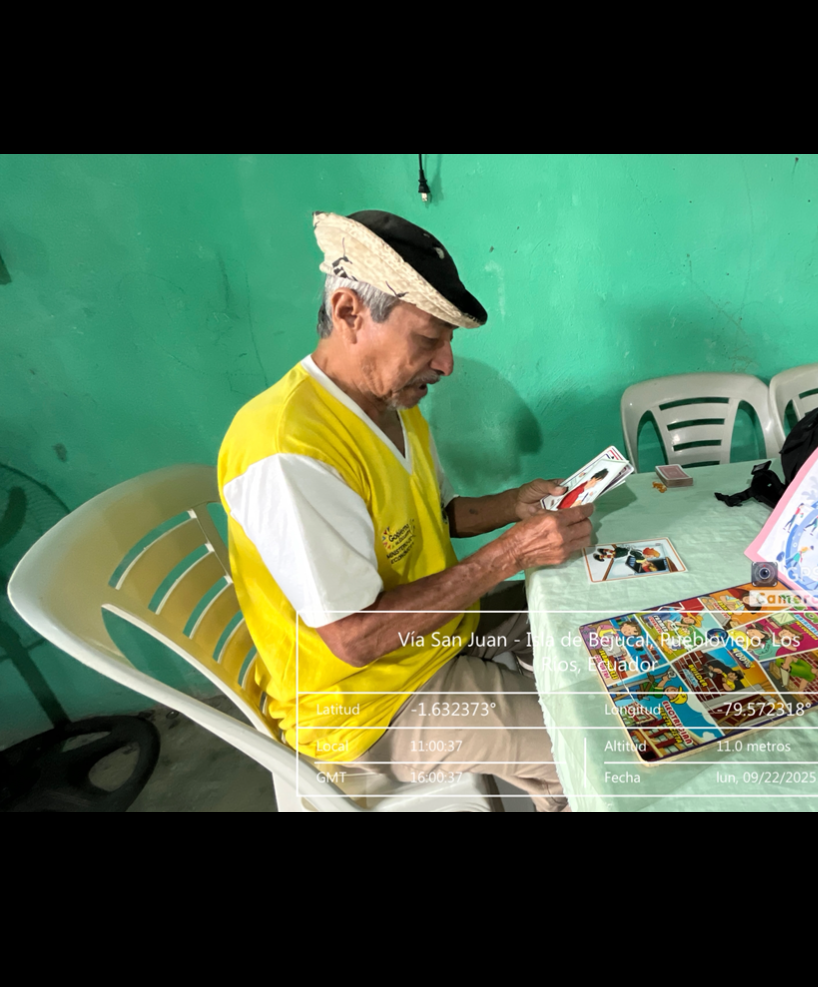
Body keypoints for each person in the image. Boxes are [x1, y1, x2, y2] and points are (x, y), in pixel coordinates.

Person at [217, 208, 592, 810]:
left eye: (449, 343)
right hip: (367, 703)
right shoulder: (288, 450)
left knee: (593, 628)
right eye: (428, 339)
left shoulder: (395, 404)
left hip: (435, 636)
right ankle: (564, 781)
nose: (446, 364)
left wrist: (512, 506)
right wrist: (510, 555)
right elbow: (355, 639)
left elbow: (432, 516)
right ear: (349, 313)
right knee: (595, 747)